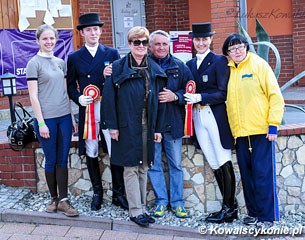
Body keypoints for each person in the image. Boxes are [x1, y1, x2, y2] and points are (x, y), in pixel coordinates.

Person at [102, 26, 167, 227]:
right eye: (136, 42)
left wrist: (157, 129)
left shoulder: (154, 69)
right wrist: (112, 126)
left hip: (147, 125)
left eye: (144, 42)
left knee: (144, 167)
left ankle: (143, 208)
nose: (140, 46)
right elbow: (109, 100)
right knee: (130, 168)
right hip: (126, 125)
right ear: (129, 44)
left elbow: (159, 101)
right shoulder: (118, 67)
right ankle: (135, 210)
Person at [222, 33, 284, 227]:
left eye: (239, 47)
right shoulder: (230, 71)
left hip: (261, 132)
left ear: (246, 47)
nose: (236, 51)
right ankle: (254, 213)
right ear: (228, 53)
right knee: (248, 177)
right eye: (232, 49)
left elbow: (275, 96)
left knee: (263, 175)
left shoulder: (259, 65)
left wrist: (273, 124)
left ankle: (268, 217)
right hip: (240, 134)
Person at [67, 13, 128, 211]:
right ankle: (97, 192)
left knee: (115, 150)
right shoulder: (74, 57)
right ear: (82, 33)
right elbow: (70, 86)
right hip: (89, 109)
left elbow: (121, 80)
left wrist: (106, 77)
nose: (93, 32)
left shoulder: (111, 53)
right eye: (88, 30)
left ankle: (119, 194)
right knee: (91, 151)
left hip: (109, 108)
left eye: (96, 29)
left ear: (101, 31)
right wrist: (78, 98)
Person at [184, 22, 237, 223]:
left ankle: (229, 208)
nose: (201, 42)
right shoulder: (189, 64)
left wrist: (199, 97)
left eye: (204, 39)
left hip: (214, 115)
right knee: (214, 162)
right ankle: (229, 206)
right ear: (193, 40)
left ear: (211, 40)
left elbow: (222, 93)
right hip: (198, 117)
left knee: (223, 159)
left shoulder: (219, 61)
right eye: (197, 39)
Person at [26, 24, 79, 217]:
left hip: (64, 118)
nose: (49, 42)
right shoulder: (34, 63)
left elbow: (65, 92)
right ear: (38, 41)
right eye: (45, 39)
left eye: (52, 38)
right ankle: (53, 198)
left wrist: (72, 116)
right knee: (51, 159)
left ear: (56, 40)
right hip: (46, 119)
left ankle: (64, 201)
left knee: (62, 159)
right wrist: (40, 123)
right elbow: (33, 96)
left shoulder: (60, 62)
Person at [147, 30, 192, 218]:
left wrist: (176, 96)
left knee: (176, 166)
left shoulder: (179, 66)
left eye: (165, 44)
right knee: (154, 165)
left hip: (173, 124)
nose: (161, 47)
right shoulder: (144, 66)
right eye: (157, 44)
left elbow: (191, 90)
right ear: (150, 46)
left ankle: (177, 203)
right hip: (151, 125)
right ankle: (161, 202)